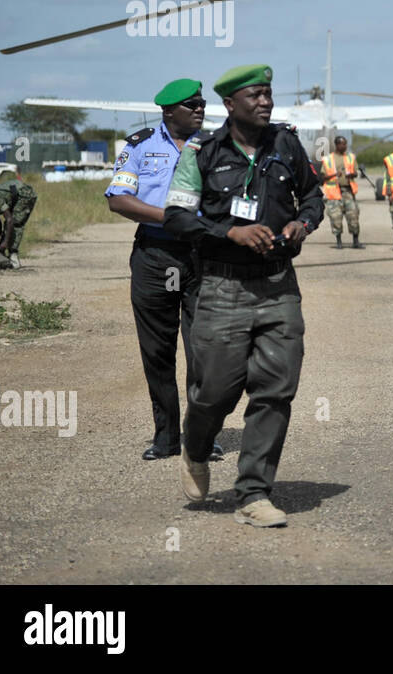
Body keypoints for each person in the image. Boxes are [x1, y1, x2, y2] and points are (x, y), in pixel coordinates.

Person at [164, 64, 324, 528]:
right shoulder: (203, 152)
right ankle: (196, 447)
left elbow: (314, 196)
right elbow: (176, 216)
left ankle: (254, 492)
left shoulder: (286, 145)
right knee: (215, 392)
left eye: (268, 93)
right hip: (222, 288)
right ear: (230, 104)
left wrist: (302, 224)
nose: (265, 102)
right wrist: (228, 232)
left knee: (276, 390)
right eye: (255, 95)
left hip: (278, 286)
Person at [104, 78, 220, 462]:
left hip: (201, 256)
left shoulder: (215, 146)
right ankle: (166, 436)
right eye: (191, 105)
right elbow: (119, 199)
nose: (200, 109)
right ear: (168, 111)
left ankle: (201, 435)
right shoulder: (140, 146)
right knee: (157, 351)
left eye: (202, 103)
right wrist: (171, 217)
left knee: (203, 350)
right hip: (155, 256)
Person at [320, 136, 363, 249]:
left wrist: (351, 174)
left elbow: (355, 173)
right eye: (342, 144)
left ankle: (356, 241)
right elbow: (323, 177)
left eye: (345, 144)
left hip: (348, 191)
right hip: (334, 193)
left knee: (353, 215)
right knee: (336, 218)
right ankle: (339, 242)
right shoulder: (328, 159)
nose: (345, 146)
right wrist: (334, 175)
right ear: (337, 145)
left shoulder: (350, 157)